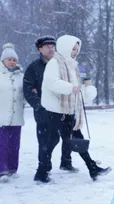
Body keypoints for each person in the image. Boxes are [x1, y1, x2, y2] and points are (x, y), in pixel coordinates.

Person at [41, 35, 110, 182]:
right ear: (65, 47)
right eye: (73, 48)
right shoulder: (54, 63)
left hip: (69, 110)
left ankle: (92, 168)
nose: (75, 51)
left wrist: (87, 90)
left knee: (77, 138)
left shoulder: (72, 66)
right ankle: (42, 171)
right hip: (55, 110)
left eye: (77, 49)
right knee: (52, 141)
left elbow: (77, 89)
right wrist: (70, 88)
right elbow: (51, 82)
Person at [23, 36, 76, 183]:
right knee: (46, 141)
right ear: (40, 49)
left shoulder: (61, 64)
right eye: (47, 46)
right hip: (44, 113)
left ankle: (66, 162)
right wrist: (40, 106)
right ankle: (42, 171)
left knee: (67, 137)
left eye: (53, 46)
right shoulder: (34, 67)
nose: (51, 48)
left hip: (63, 110)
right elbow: (28, 89)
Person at [0, 43, 24, 183]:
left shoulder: (20, 76)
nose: (12, 62)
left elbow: (25, 93)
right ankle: (2, 169)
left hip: (16, 116)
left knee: (15, 144)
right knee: (2, 144)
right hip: (1, 115)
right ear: (3, 61)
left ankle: (13, 168)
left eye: (14, 60)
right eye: (9, 59)